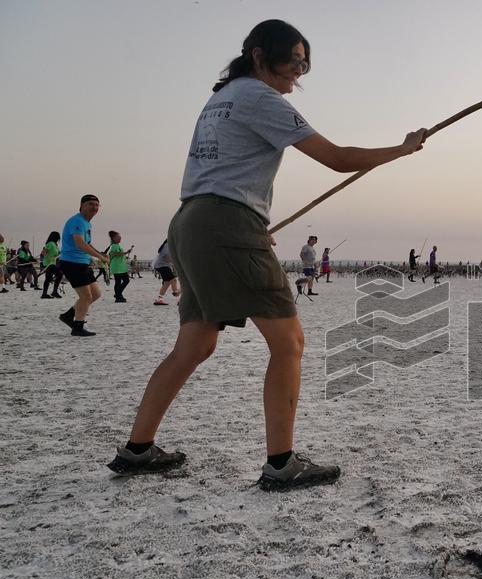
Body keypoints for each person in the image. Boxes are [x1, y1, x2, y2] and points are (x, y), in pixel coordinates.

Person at [110, 19, 426, 489]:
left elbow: (224, 171)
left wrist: (245, 221)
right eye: (293, 60)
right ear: (260, 55)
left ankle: (137, 450)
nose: (298, 72)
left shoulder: (221, 98)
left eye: (305, 64)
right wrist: (400, 150)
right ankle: (281, 463)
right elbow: (337, 157)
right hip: (224, 224)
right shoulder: (261, 97)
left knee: (194, 346)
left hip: (192, 221)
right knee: (289, 341)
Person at [58, 194, 109, 337]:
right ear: (81, 205)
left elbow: (87, 243)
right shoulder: (77, 221)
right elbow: (79, 243)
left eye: (97, 205)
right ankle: (77, 327)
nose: (94, 207)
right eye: (90, 204)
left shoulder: (87, 223)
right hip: (71, 263)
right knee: (86, 296)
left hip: (82, 263)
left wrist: (100, 253)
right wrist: (99, 256)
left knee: (96, 294)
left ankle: (68, 316)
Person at [152, 240, 180, 305]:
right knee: (172, 280)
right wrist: (176, 262)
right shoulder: (167, 245)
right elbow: (167, 257)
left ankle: (160, 299)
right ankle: (177, 298)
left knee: (169, 282)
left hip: (162, 265)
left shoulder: (168, 245)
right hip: (161, 265)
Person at [108, 231, 133, 302]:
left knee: (118, 282)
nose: (120, 238)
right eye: (118, 237)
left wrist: (125, 255)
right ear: (113, 238)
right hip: (117, 267)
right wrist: (126, 252)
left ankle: (118, 296)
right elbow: (116, 254)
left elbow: (118, 255)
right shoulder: (114, 246)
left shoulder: (116, 245)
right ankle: (118, 295)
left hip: (118, 266)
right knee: (125, 280)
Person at [40, 231, 63, 299]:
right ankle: (53, 292)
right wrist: (45, 252)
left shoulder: (55, 245)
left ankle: (46, 293)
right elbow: (43, 252)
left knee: (49, 278)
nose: (59, 239)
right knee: (59, 274)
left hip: (53, 263)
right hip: (49, 263)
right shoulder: (50, 244)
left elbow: (57, 253)